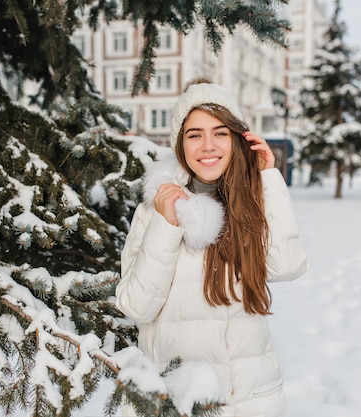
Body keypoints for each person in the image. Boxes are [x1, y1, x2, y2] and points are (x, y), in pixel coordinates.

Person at [115, 79, 308, 417]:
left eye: (220, 132)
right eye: (194, 134)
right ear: (180, 144)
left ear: (236, 139)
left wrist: (269, 180)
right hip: (177, 400)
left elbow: (287, 265)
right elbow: (136, 307)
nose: (208, 146)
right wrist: (166, 224)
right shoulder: (155, 210)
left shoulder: (252, 203)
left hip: (252, 399)